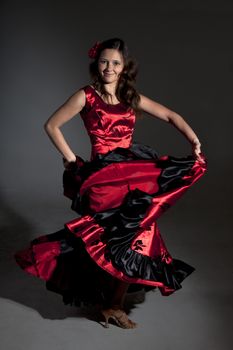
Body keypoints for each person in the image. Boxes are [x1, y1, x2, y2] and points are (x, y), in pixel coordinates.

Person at [14, 37, 207, 329]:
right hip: (102, 179)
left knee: (140, 237)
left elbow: (169, 115)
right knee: (107, 240)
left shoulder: (131, 97)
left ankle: (113, 304)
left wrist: (193, 138)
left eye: (115, 62)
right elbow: (51, 125)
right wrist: (69, 157)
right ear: (96, 63)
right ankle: (105, 299)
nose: (109, 67)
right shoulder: (86, 96)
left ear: (123, 67)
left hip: (131, 176)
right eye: (104, 61)